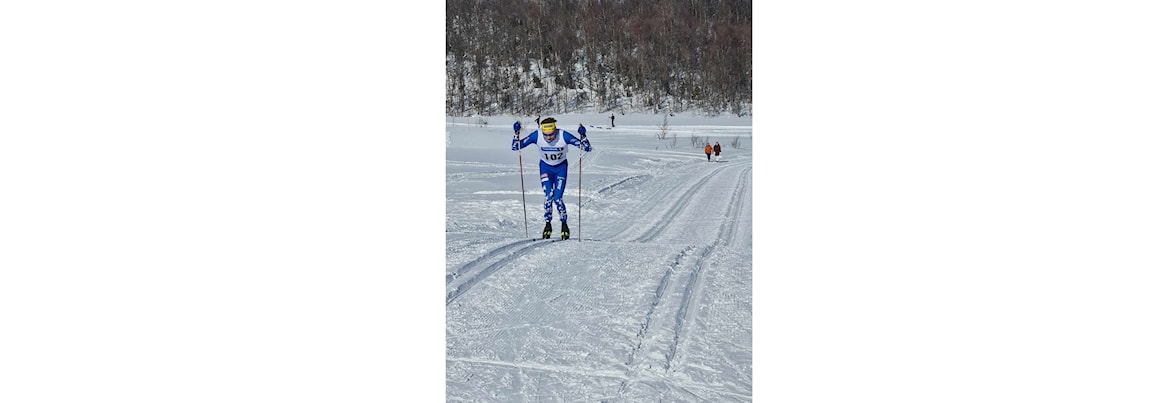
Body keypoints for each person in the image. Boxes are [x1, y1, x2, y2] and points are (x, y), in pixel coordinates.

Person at [512, 117, 593, 240]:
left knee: (557, 198)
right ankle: (547, 224)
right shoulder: (537, 135)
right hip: (546, 168)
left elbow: (586, 148)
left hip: (560, 168)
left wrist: (583, 135)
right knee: (548, 195)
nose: (549, 138)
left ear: (555, 130)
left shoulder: (563, 135)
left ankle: (564, 224)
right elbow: (515, 147)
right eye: (546, 135)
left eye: (551, 135)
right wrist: (516, 133)